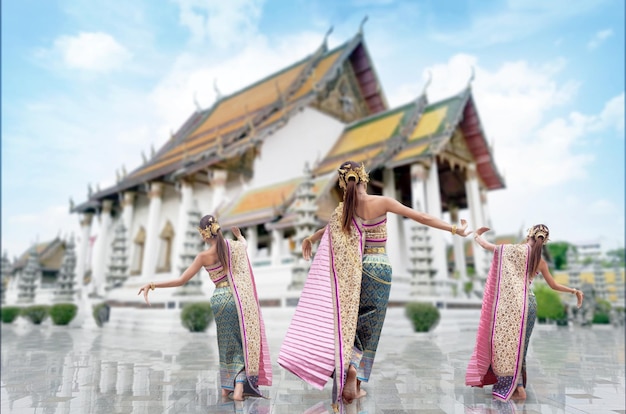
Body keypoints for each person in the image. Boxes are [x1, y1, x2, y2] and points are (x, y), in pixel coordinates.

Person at [278, 160, 470, 410]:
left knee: (352, 324)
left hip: (355, 271)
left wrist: (310, 238)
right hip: (378, 268)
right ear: (364, 178)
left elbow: (328, 229)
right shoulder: (381, 202)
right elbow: (420, 216)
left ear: (343, 183)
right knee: (369, 328)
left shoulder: (344, 211)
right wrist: (455, 228)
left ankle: (354, 383)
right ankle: (353, 371)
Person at [138, 215, 272, 401]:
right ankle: (239, 387)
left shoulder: (203, 257)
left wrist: (152, 284)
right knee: (241, 343)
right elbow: (244, 245)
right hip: (237, 299)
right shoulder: (233, 247)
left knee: (226, 344)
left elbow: (181, 280)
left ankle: (228, 388)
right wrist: (239, 236)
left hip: (219, 300)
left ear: (204, 234)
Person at [466, 224, 584, 401]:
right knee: (521, 347)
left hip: (512, 306)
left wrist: (476, 235)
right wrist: (574, 290)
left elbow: (485, 245)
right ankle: (517, 386)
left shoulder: (512, 251)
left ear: (528, 234)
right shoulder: (540, 261)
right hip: (529, 304)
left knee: (506, 346)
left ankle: (517, 387)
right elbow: (553, 285)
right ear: (544, 242)